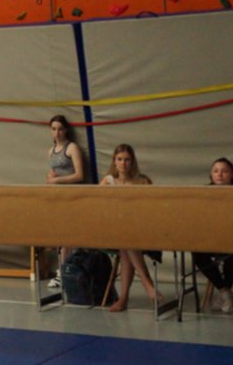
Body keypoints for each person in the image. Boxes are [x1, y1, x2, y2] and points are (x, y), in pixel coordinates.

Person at [100, 144, 157, 312]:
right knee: (125, 240)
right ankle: (148, 285)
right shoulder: (107, 182)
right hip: (113, 230)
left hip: (139, 230)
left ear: (132, 162)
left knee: (126, 245)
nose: (123, 163)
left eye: (127, 160)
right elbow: (99, 208)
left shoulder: (142, 181)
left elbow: (151, 209)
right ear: (114, 161)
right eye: (119, 159)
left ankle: (124, 298)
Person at [191, 158, 233, 313]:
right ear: (211, 175)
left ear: (232, 174)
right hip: (212, 239)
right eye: (216, 171)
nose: (220, 174)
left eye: (224, 171)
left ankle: (225, 292)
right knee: (197, 253)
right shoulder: (204, 193)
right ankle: (225, 292)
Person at [44, 115, 87, 293]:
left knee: (68, 235)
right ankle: (62, 269)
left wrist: (58, 180)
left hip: (72, 196)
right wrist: (51, 178)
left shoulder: (72, 148)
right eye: (54, 129)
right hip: (58, 197)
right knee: (60, 235)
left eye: (60, 129)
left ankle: (64, 271)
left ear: (66, 130)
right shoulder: (51, 151)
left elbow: (79, 175)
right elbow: (52, 173)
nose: (57, 132)